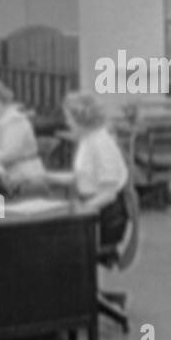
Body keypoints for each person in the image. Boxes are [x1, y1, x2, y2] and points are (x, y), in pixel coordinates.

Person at [63, 91, 130, 245]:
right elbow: (83, 175)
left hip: (106, 216)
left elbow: (108, 195)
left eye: (69, 118)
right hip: (92, 207)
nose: (67, 122)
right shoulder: (87, 139)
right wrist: (46, 176)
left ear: (81, 119)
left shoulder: (101, 143)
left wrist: (78, 210)